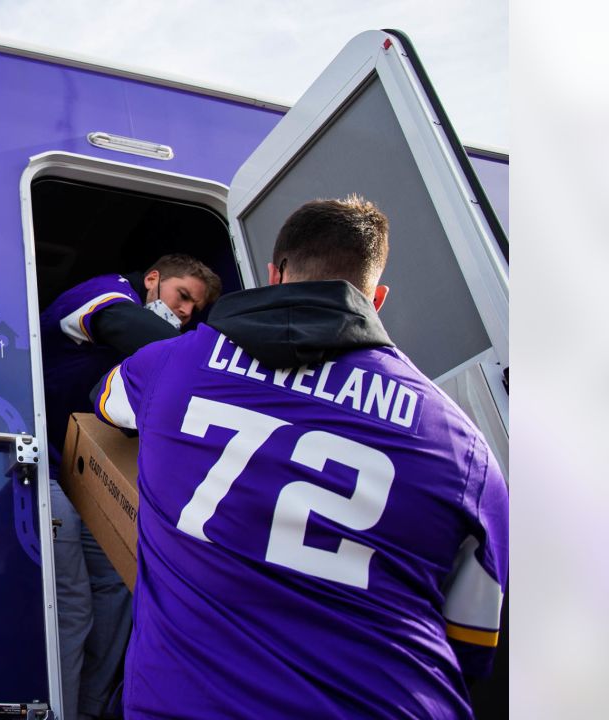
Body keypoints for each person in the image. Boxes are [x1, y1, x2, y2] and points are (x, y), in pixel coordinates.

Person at [92, 196, 507, 718]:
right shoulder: (462, 447)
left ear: (274, 273)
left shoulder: (172, 364)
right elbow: (471, 646)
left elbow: (107, 402)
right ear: (376, 297)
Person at [40, 254, 221, 719]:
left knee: (120, 591)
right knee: (75, 607)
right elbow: (120, 322)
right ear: (154, 278)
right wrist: (214, 361)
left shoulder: (156, 348)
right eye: (182, 296)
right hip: (40, 468)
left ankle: (87, 711)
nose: (185, 312)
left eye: (194, 310)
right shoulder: (109, 290)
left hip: (83, 476)